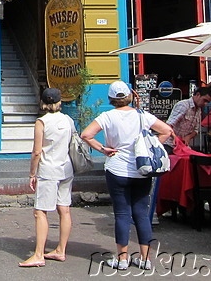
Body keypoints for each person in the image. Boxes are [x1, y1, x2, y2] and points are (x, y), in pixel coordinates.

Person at [80, 81, 172, 271]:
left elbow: (86, 135)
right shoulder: (142, 116)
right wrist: (150, 146)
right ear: (129, 96)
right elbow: (167, 131)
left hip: (117, 169)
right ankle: (145, 259)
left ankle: (122, 258)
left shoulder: (107, 116)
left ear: (111, 99)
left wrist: (103, 149)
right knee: (142, 213)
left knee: (122, 214)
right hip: (142, 169)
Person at [19, 88, 74, 268]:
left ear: (43, 102)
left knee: (40, 211)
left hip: (48, 170)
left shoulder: (41, 122)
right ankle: (61, 250)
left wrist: (32, 174)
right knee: (64, 210)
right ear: (60, 102)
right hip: (66, 168)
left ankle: (38, 254)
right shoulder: (68, 120)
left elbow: (37, 151)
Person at [165, 86, 211, 153]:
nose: (205, 104)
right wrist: (175, 137)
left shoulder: (199, 110)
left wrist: (188, 137)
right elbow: (169, 125)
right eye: (204, 100)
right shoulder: (183, 105)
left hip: (183, 146)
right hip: (170, 144)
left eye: (207, 102)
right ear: (198, 95)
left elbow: (196, 130)